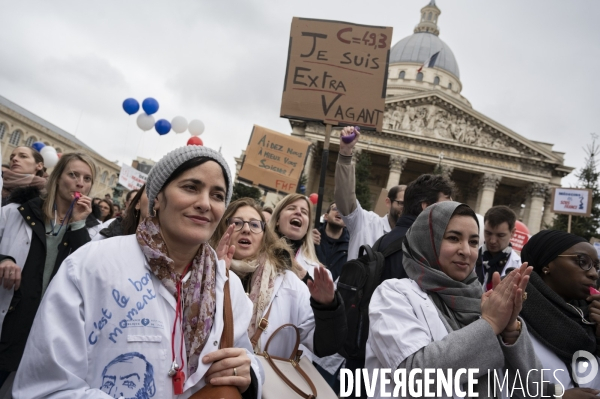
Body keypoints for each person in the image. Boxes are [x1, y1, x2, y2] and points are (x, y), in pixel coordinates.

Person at [12, 146, 262, 398]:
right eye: (190, 188)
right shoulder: (91, 265)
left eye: (217, 195)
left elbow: (245, 356)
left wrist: (248, 374)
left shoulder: (226, 285)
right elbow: (45, 386)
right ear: (157, 197)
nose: (205, 203)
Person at [365, 201, 545, 398]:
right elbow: (414, 375)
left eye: (474, 242)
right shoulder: (394, 294)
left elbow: (533, 391)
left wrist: (510, 331)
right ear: (427, 241)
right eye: (453, 238)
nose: (466, 251)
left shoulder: (482, 303)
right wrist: (490, 324)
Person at [0, 153, 95, 388]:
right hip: (11, 320)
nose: (79, 182)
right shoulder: (17, 212)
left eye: (87, 178)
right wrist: (3, 259)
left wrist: (78, 225)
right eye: (73, 174)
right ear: (57, 177)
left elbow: (87, 272)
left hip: (48, 330)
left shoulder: (89, 230)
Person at [211, 198, 345, 359]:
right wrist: (216, 277)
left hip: (264, 381)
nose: (246, 229)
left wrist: (327, 308)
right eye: (237, 223)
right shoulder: (202, 270)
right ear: (222, 230)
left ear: (264, 236)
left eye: (254, 225)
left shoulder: (288, 283)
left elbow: (325, 346)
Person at [520, 230, 600, 396]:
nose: (594, 273)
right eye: (582, 261)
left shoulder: (590, 319)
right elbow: (495, 384)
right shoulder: (512, 316)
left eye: (597, 266)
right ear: (547, 264)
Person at [334, 126, 406, 260]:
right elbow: (344, 196)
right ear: (388, 202)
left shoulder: (413, 242)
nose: (406, 208)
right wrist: (345, 152)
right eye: (402, 203)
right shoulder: (365, 223)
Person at [377, 173, 454, 281]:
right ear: (426, 207)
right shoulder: (420, 250)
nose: (450, 214)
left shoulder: (383, 240)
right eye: (446, 207)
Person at [477, 205, 522, 291]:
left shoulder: (518, 266)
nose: (493, 241)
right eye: (488, 233)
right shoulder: (471, 256)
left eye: (500, 235)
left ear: (512, 232)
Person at [314, 202, 349, 281]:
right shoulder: (311, 237)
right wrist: (306, 242)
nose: (339, 212)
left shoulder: (351, 247)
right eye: (335, 209)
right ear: (326, 216)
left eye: (343, 211)